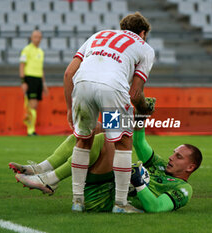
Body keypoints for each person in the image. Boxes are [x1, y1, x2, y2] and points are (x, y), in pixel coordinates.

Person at [63, 12, 155, 212]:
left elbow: (69, 72)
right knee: (122, 142)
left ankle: (77, 201)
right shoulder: (144, 48)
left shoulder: (98, 35)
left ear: (123, 28)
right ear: (143, 33)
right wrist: (145, 108)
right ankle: (120, 203)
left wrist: (70, 107)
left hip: (82, 87)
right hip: (111, 91)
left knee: (83, 140)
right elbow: (135, 92)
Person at [9, 121, 203, 213]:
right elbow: (140, 142)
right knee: (94, 127)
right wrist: (142, 116)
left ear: (190, 167)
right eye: (173, 153)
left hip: (103, 197)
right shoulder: (161, 165)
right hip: (107, 180)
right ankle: (42, 168)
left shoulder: (183, 189)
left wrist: (139, 184)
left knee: (107, 141)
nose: (171, 157)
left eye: (178, 157)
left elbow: (157, 208)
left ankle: (50, 180)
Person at [19, 30, 48, 136]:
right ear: (31, 37)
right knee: (32, 104)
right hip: (30, 78)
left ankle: (31, 128)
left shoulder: (41, 51)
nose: (38, 39)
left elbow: (41, 69)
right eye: (35, 36)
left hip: (38, 79)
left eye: (39, 37)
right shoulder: (26, 50)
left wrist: (44, 84)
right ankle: (30, 130)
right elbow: (22, 65)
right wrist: (23, 81)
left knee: (35, 105)